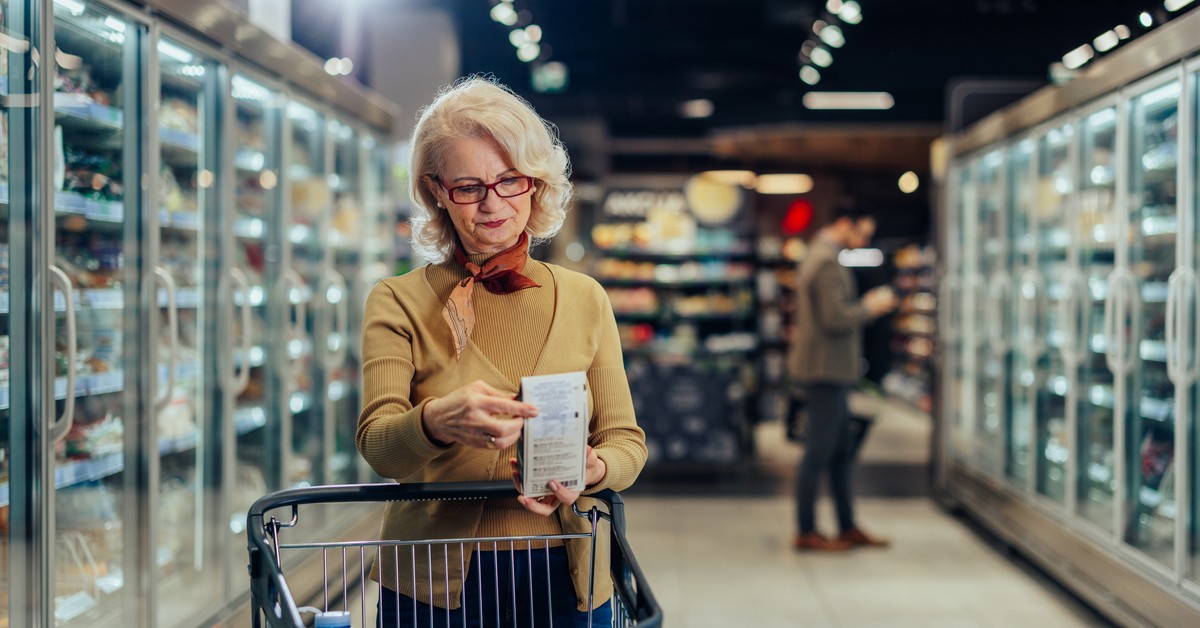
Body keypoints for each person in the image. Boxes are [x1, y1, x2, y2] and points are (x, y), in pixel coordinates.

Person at [356, 76, 647, 626]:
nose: (493, 204)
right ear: (436, 190)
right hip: (433, 580)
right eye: (468, 187)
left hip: (566, 572)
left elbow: (627, 443)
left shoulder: (584, 299)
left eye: (509, 180)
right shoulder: (398, 300)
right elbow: (380, 448)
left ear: (535, 184)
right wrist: (437, 422)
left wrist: (596, 465)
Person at [789, 205, 898, 551]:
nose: (862, 241)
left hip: (829, 369)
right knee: (819, 453)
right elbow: (834, 318)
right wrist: (871, 307)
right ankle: (807, 531)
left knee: (840, 452)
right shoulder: (825, 260)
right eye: (860, 233)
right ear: (843, 224)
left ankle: (847, 524)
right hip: (826, 371)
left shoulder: (820, 256)